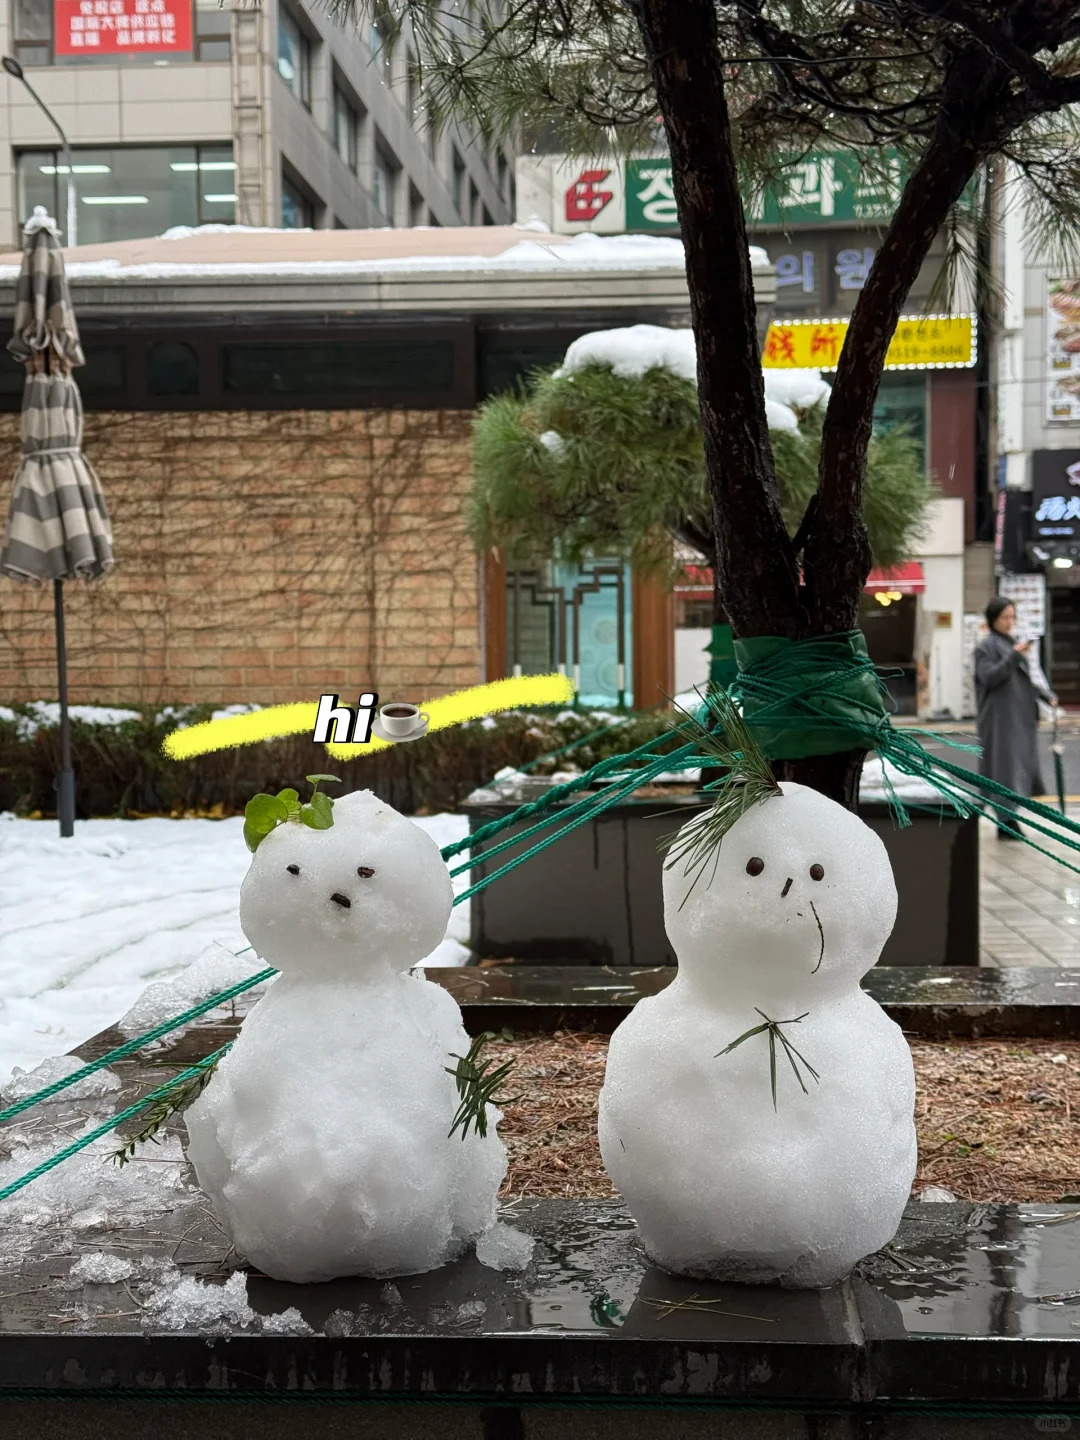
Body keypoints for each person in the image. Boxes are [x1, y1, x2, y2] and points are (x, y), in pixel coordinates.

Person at [973, 597, 1056, 837]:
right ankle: (1005, 820)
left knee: (1016, 766)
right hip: (1000, 720)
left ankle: (1008, 817)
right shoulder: (986, 647)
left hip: (1017, 718)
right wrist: (1014, 656)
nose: (1010, 622)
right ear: (993, 620)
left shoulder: (1010, 644)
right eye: (1005, 617)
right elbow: (989, 676)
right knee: (1003, 768)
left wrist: (1045, 695)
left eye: (1012, 617)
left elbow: (1024, 681)